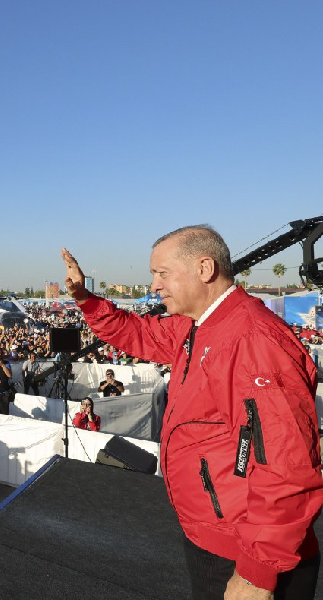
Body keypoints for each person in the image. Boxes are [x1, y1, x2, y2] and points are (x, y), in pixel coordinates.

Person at [62, 226, 323, 600]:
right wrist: (85, 299)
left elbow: (286, 468)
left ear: (204, 269)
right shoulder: (199, 326)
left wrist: (255, 573)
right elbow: (135, 333)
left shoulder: (251, 340)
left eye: (162, 274)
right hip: (215, 535)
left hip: (245, 553)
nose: (153, 286)